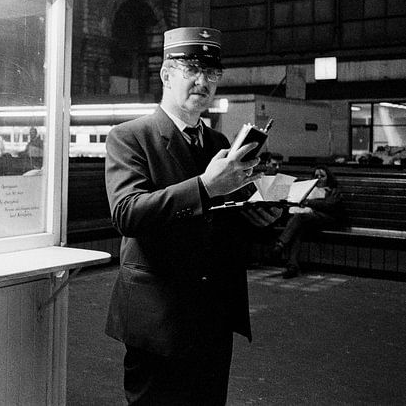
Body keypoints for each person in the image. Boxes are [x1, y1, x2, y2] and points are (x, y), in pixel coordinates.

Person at [104, 27, 281, 405]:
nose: (203, 82)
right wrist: (205, 186)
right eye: (192, 70)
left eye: (212, 73)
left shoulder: (219, 143)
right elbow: (126, 213)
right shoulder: (130, 136)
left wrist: (265, 209)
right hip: (159, 319)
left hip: (213, 317)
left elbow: (223, 220)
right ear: (167, 75)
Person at [271, 165, 344, 278]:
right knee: (298, 229)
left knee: (300, 218)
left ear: (328, 177)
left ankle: (280, 244)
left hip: (326, 219)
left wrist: (308, 203)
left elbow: (329, 205)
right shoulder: (310, 189)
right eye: (316, 176)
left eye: (322, 176)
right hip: (309, 220)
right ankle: (292, 266)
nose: (319, 178)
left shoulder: (333, 190)